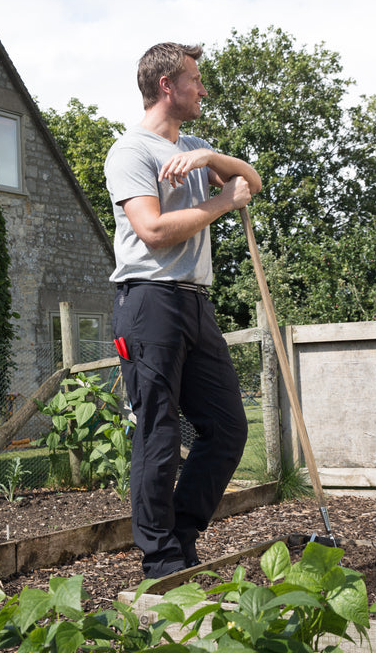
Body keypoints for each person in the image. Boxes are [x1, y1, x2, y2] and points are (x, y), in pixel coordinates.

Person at [105, 42, 262, 578]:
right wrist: (221, 202)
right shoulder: (131, 152)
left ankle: (182, 536)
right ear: (168, 85)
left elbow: (252, 181)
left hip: (195, 301)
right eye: (195, 79)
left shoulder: (193, 145)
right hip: (149, 302)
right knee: (159, 434)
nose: (203, 89)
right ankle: (161, 562)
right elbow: (151, 231)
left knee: (226, 428)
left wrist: (211, 159)